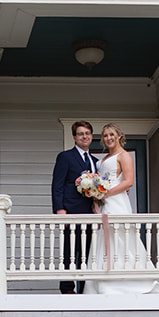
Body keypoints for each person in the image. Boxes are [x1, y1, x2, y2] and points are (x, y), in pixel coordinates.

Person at [84, 122, 159, 295]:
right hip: (104, 202)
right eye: (105, 136)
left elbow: (128, 181)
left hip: (116, 201)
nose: (108, 138)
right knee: (103, 237)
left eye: (111, 135)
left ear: (119, 136)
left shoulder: (124, 156)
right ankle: (103, 283)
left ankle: (133, 282)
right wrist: (96, 197)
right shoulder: (104, 159)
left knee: (122, 237)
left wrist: (105, 195)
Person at [51, 120, 97, 293]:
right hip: (70, 211)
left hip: (90, 214)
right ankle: (67, 287)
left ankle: (85, 287)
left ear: (91, 136)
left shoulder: (94, 161)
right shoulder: (66, 157)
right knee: (70, 251)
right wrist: (59, 210)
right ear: (74, 137)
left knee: (87, 253)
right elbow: (58, 185)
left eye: (87, 133)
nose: (84, 136)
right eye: (80, 134)